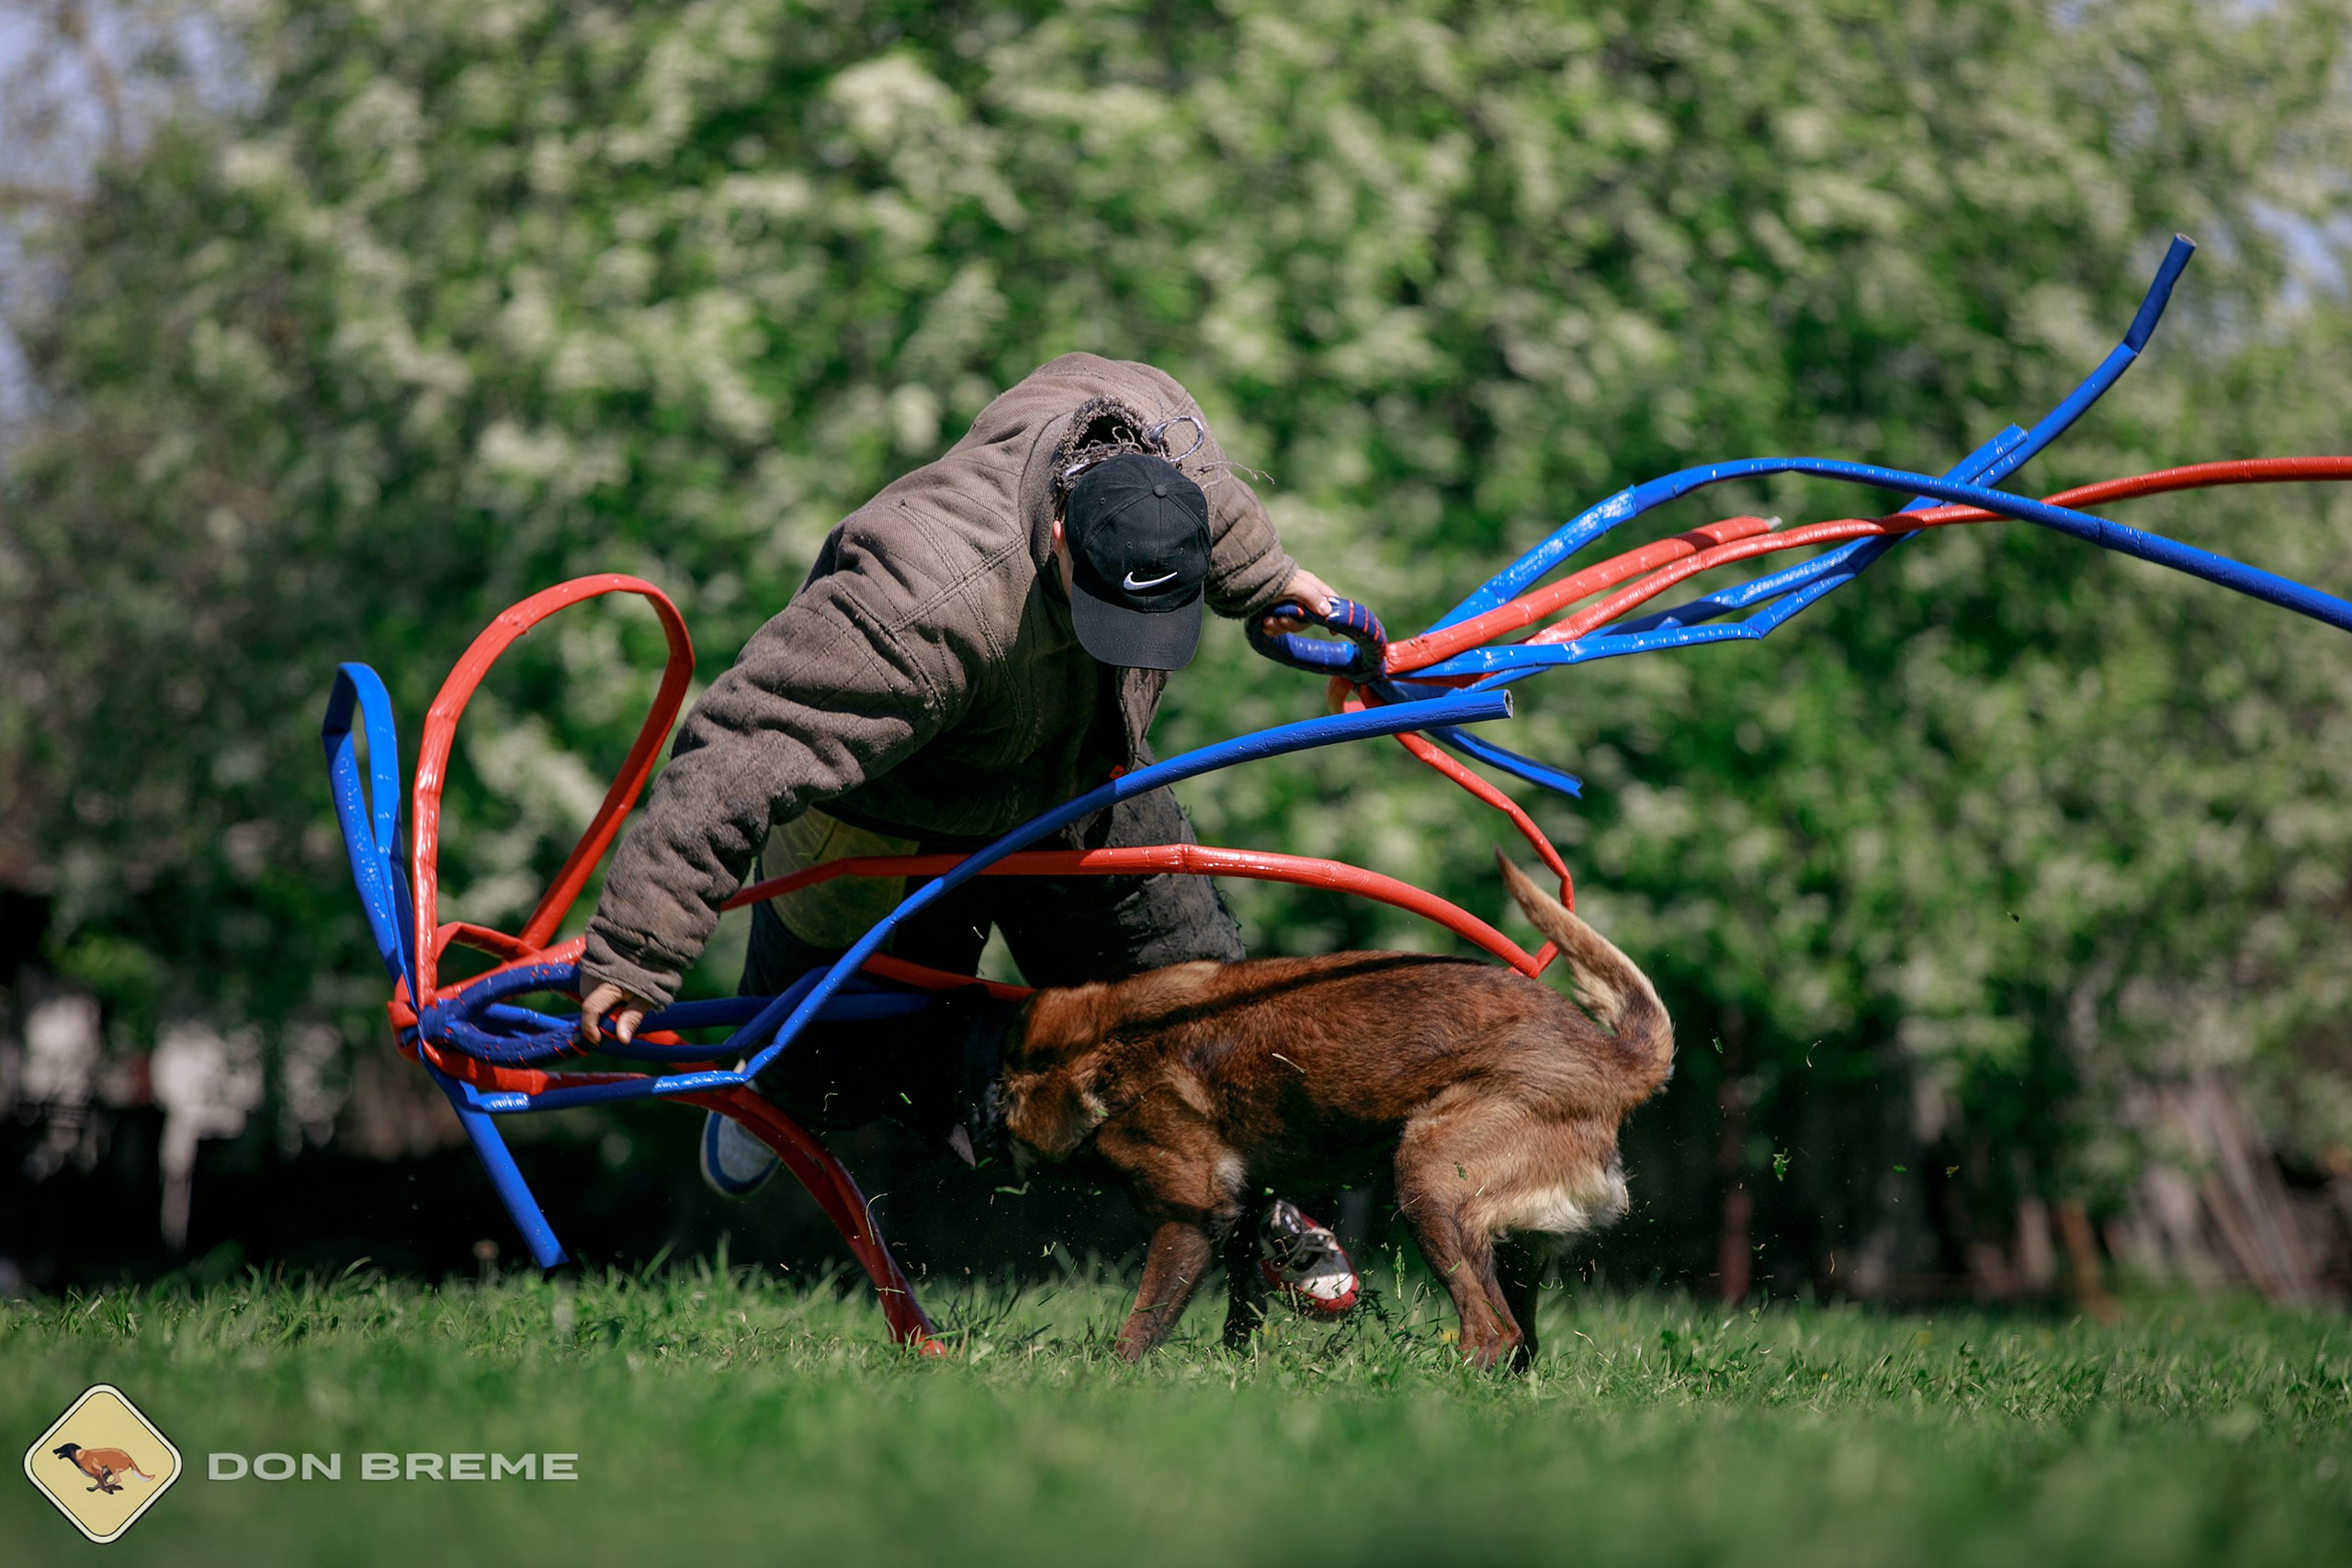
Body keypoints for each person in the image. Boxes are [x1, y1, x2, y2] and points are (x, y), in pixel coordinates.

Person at [574, 353, 1360, 1315]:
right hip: (883, 821)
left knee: (1196, 989)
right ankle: (780, 1089)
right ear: (1063, 537)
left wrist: (1275, 582)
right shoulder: (915, 603)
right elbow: (737, 750)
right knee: (850, 1074)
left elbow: (1217, 508)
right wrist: (636, 950)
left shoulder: (1163, 444)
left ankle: (1278, 1220)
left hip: (1069, 776)